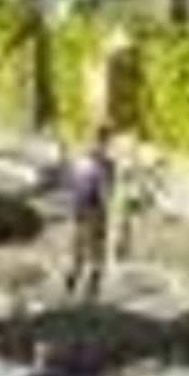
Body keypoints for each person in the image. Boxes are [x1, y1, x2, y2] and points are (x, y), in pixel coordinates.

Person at [60, 128, 113, 300]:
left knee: (78, 249)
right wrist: (107, 213)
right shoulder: (103, 163)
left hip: (78, 210)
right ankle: (91, 292)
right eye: (107, 141)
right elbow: (104, 191)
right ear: (105, 141)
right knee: (96, 251)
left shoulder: (80, 160)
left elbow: (69, 183)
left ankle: (70, 286)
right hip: (94, 210)